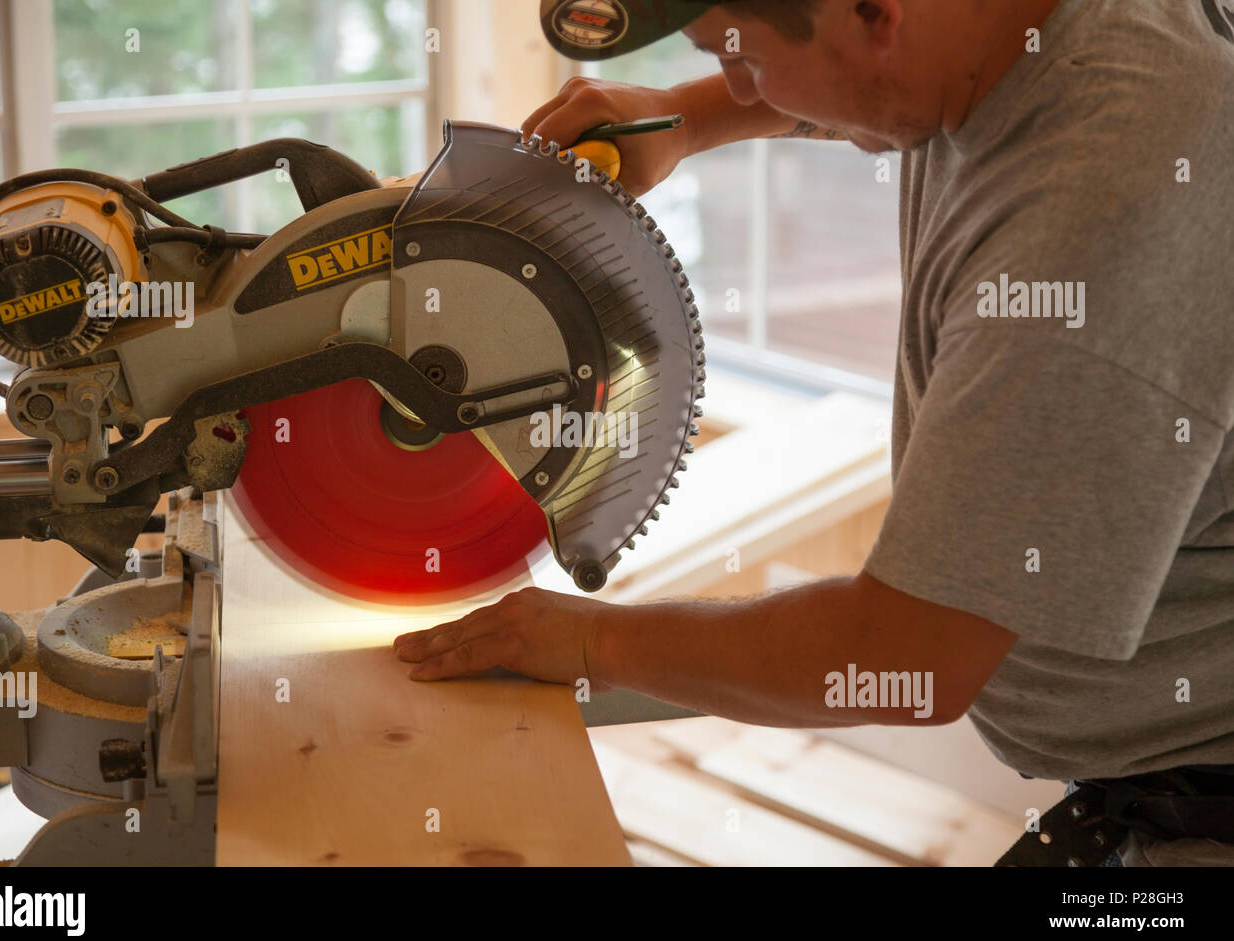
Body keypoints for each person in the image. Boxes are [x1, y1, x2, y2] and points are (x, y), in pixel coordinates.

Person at [394, 0, 1234, 866]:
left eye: (741, 58)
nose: (735, 81)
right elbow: (873, 85)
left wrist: (593, 641)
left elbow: (914, 655)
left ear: (878, 14)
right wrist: (686, 120)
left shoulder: (1100, 208)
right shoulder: (995, 37)